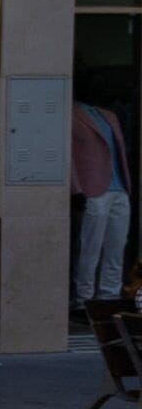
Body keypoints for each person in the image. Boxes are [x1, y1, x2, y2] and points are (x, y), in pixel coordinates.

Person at [79, 100, 135, 323]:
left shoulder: (109, 115)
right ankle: (83, 299)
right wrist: (76, 188)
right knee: (90, 248)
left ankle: (109, 297)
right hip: (94, 189)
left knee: (116, 248)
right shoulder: (71, 114)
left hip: (119, 188)